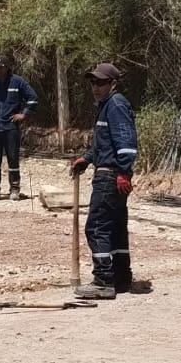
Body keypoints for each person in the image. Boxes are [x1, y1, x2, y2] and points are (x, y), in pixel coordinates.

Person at [69, 63, 139, 299]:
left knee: (96, 227)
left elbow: (126, 143)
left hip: (110, 177)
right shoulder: (106, 106)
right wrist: (86, 159)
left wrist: (123, 171)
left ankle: (103, 280)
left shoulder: (116, 105)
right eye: (93, 82)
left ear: (113, 84)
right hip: (109, 173)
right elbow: (103, 144)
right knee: (115, 227)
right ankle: (121, 277)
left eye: (100, 83)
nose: (95, 87)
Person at [0, 54, 38, 201]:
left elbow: (33, 98)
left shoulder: (18, 82)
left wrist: (23, 114)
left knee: (13, 158)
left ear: (7, 68)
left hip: (10, 127)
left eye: (0, 67)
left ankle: (15, 190)